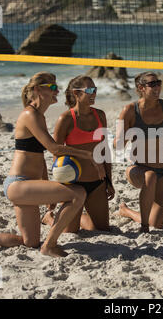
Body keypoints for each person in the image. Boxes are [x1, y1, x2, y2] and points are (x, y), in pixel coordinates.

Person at [0, 71, 106, 258]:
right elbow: (54, 148)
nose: (57, 91)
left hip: (27, 186)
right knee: (78, 193)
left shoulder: (39, 115)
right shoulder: (30, 114)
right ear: (38, 90)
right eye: (53, 87)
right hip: (19, 184)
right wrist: (88, 155)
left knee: (29, 242)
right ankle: (50, 245)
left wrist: (47, 187)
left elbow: (39, 158)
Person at [42, 75, 114, 232]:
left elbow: (105, 150)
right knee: (70, 232)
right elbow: (57, 155)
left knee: (102, 229)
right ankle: (50, 218)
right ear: (76, 93)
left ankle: (76, 216)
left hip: (97, 182)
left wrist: (109, 180)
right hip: (73, 184)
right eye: (89, 90)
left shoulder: (100, 115)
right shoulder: (66, 119)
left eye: (95, 89)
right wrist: (58, 189)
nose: (93, 93)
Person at [115, 71, 163, 233]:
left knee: (157, 224)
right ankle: (143, 227)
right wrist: (124, 136)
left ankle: (126, 211)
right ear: (141, 88)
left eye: (158, 83)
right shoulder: (130, 110)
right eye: (152, 84)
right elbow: (117, 145)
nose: (157, 87)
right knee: (150, 176)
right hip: (138, 168)